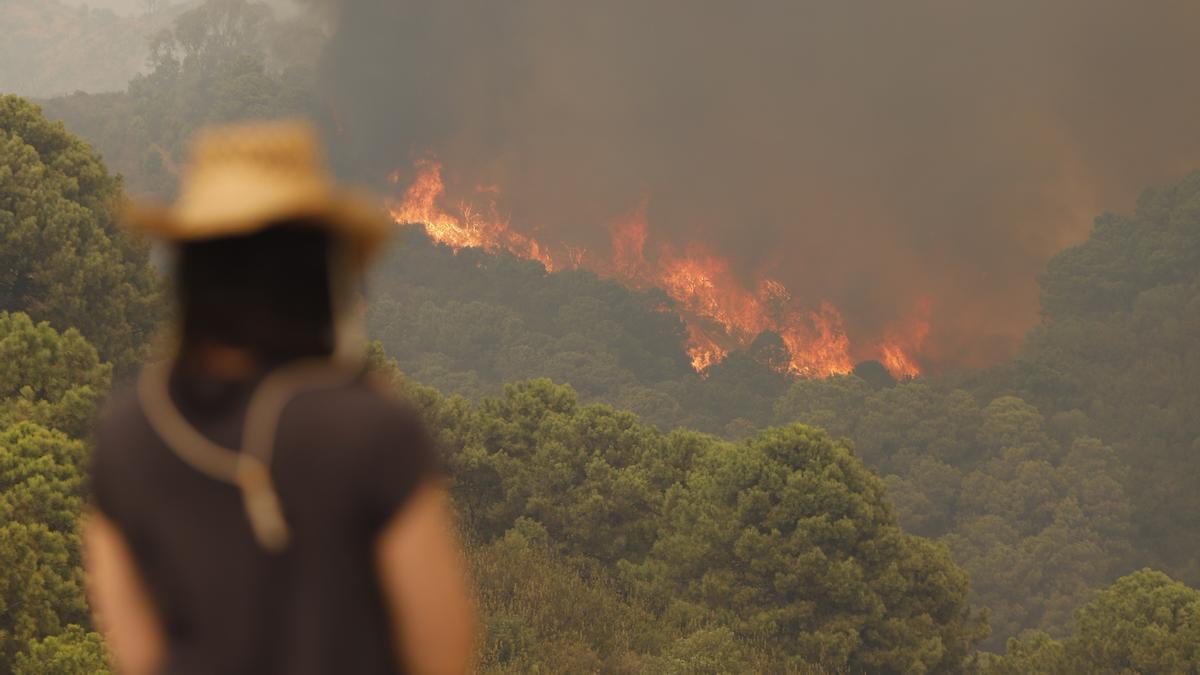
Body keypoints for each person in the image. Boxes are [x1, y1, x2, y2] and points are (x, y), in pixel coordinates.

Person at [84, 121, 477, 675]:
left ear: (194, 273)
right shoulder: (373, 428)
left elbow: (139, 651)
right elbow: (441, 646)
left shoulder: (127, 434)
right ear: (317, 272)